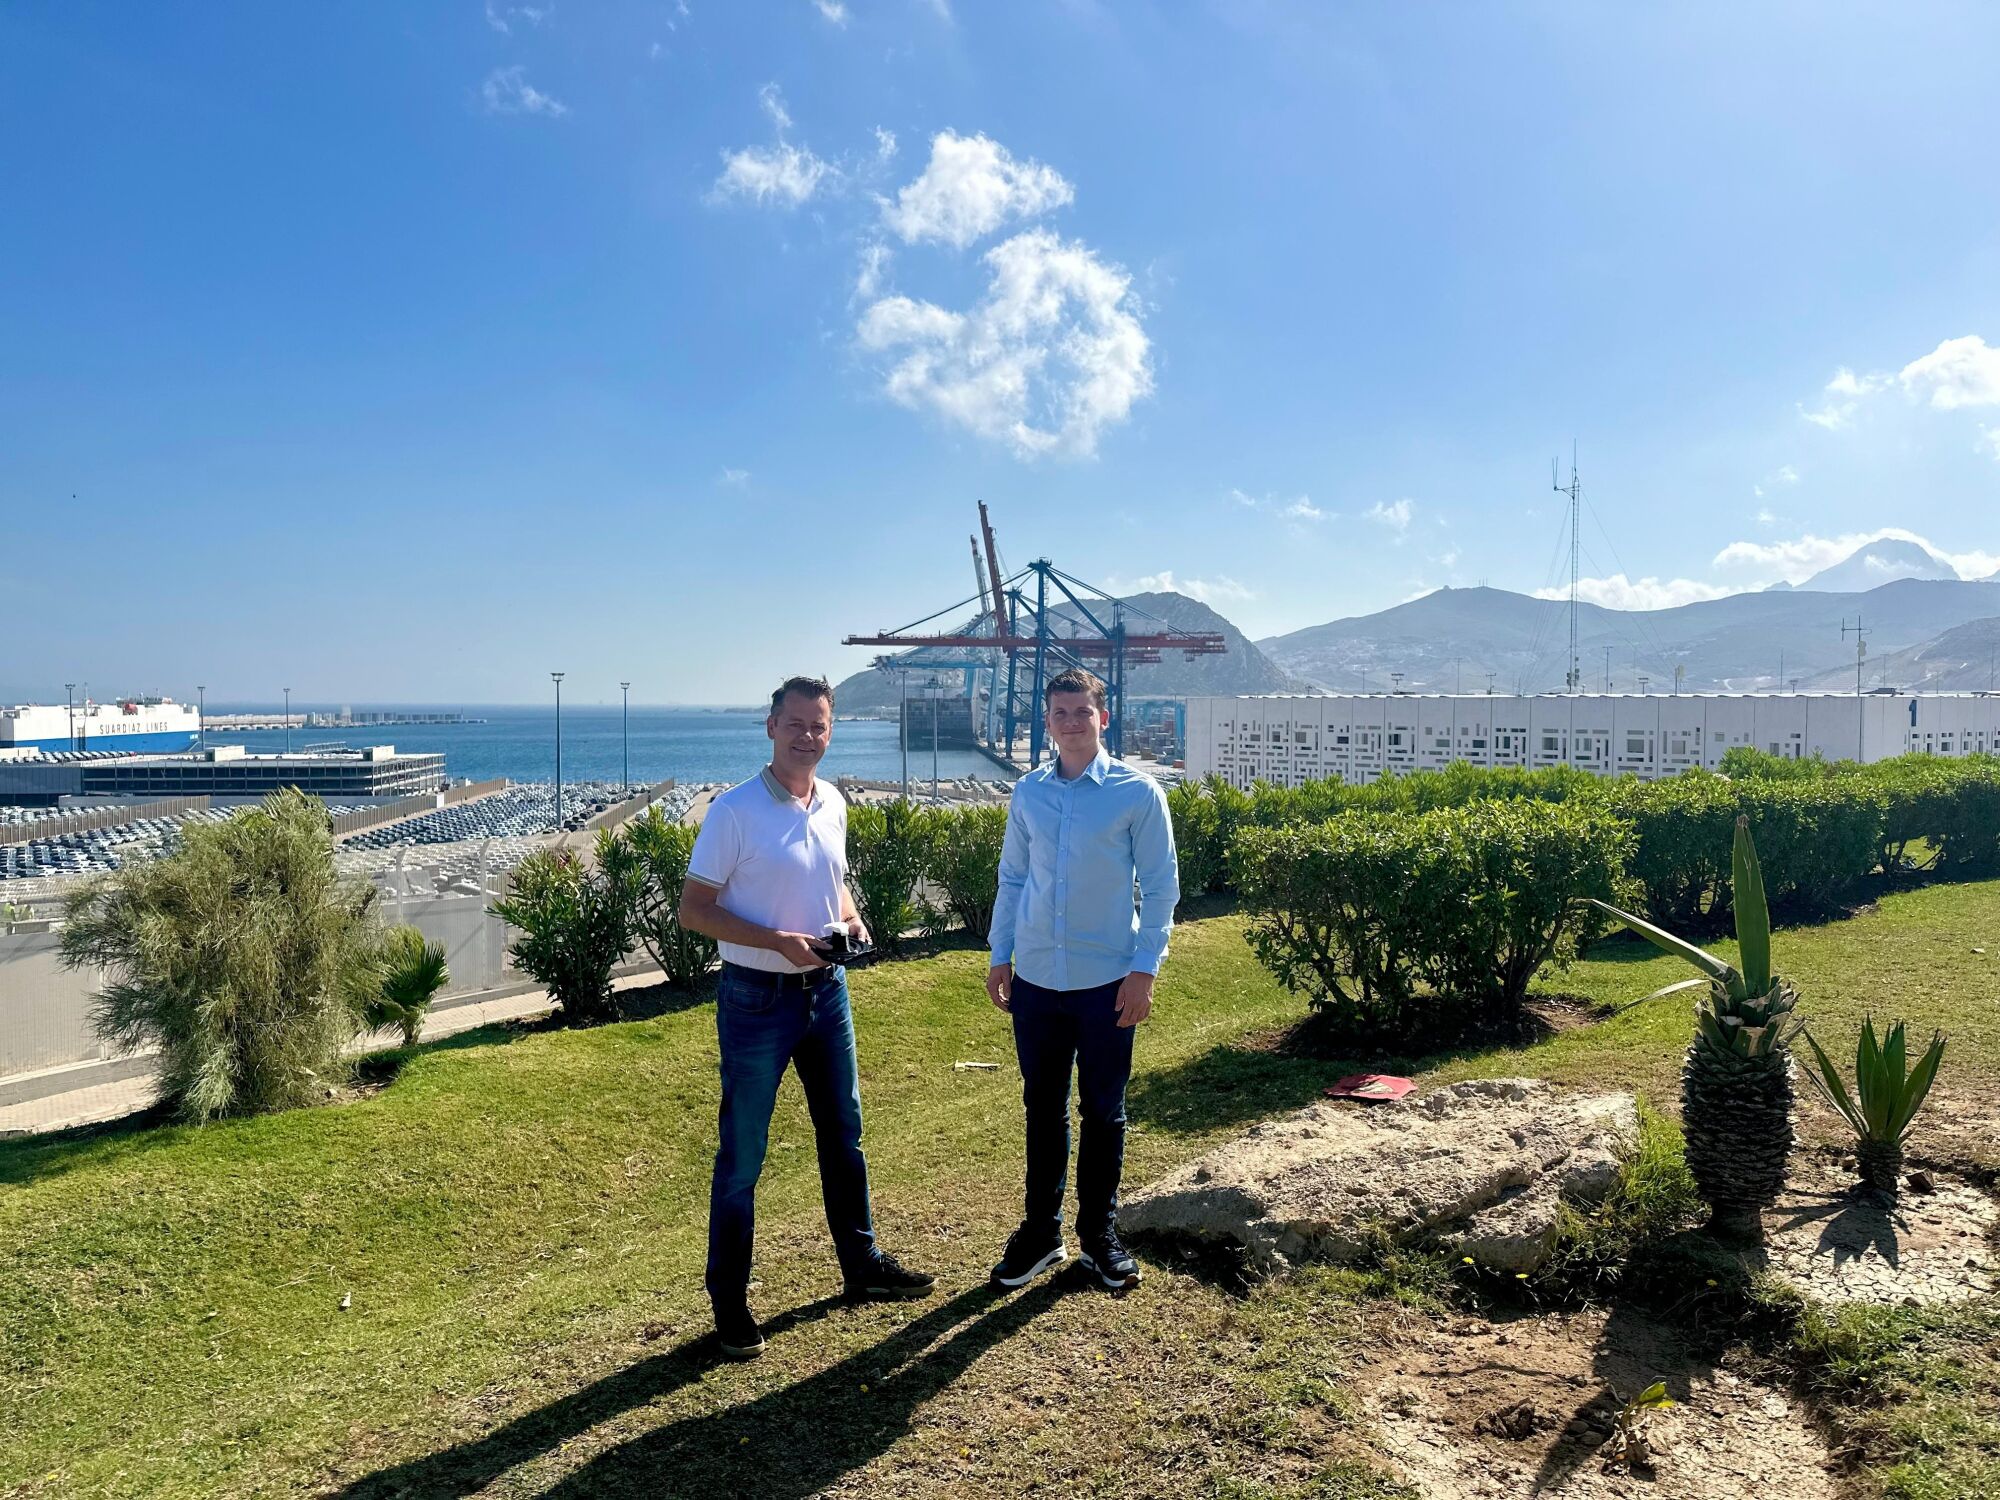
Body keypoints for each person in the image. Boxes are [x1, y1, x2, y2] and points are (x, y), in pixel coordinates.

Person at [679, 675, 935, 1359]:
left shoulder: (833, 802)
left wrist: (852, 925)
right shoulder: (733, 812)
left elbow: (835, 886)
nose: (807, 736)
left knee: (844, 1134)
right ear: (770, 726)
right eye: (795, 723)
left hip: (827, 993)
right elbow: (694, 909)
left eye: (819, 725)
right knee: (743, 1156)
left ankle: (862, 1266)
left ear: (830, 731)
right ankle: (729, 1303)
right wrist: (777, 943)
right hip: (755, 997)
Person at [985, 667, 1179, 1292]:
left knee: (1103, 1111)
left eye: (1082, 711)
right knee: (1042, 1109)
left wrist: (1144, 970)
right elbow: (1013, 878)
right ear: (1047, 721)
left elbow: (1160, 888)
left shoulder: (1137, 792)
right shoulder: (1028, 793)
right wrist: (1000, 954)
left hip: (1106, 982)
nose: (1072, 721)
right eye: (1060, 712)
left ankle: (1099, 1235)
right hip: (1037, 979)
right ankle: (1041, 1234)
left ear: (1103, 717)